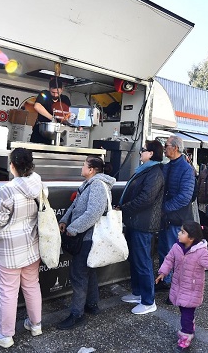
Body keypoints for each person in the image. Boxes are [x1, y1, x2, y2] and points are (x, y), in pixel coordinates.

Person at [0, 148, 43, 347]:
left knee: (9, 292)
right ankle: (36, 325)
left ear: (12, 166)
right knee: (32, 285)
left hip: (9, 251)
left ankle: (5, 335)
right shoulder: (38, 184)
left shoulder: (6, 191)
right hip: (32, 247)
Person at [156, 221, 208, 353]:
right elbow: (169, 260)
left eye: (182, 232)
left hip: (192, 290)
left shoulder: (201, 253)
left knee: (186, 314)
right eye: (180, 231)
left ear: (191, 238)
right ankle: (190, 326)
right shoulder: (176, 247)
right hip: (178, 287)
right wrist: (163, 272)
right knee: (183, 311)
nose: (179, 233)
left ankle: (185, 340)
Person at [58, 156, 116, 327]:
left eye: (83, 165)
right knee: (88, 271)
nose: (81, 167)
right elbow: (75, 205)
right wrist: (64, 220)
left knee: (79, 275)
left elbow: (93, 213)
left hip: (88, 237)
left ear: (91, 170)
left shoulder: (97, 185)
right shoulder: (88, 184)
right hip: (85, 235)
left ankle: (77, 314)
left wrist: (73, 228)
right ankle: (92, 304)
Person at [118, 140, 164, 314]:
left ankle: (148, 300)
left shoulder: (155, 172)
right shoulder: (145, 170)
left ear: (151, 154)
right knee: (136, 260)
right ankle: (138, 293)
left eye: (143, 150)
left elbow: (146, 198)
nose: (140, 152)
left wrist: (124, 207)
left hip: (144, 224)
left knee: (143, 261)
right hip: (135, 221)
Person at [156, 135, 195, 290]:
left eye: (166, 146)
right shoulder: (167, 166)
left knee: (176, 254)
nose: (164, 148)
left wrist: (164, 208)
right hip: (167, 218)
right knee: (164, 250)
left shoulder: (186, 169)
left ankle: (176, 287)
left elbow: (185, 197)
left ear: (175, 148)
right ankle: (165, 281)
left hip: (178, 219)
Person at [30, 78, 73, 144]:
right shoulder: (44, 95)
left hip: (56, 134)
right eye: (53, 92)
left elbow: (69, 114)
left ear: (62, 90)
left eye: (57, 93)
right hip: (40, 132)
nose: (55, 95)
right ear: (49, 89)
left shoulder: (65, 99)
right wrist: (52, 118)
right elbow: (37, 106)